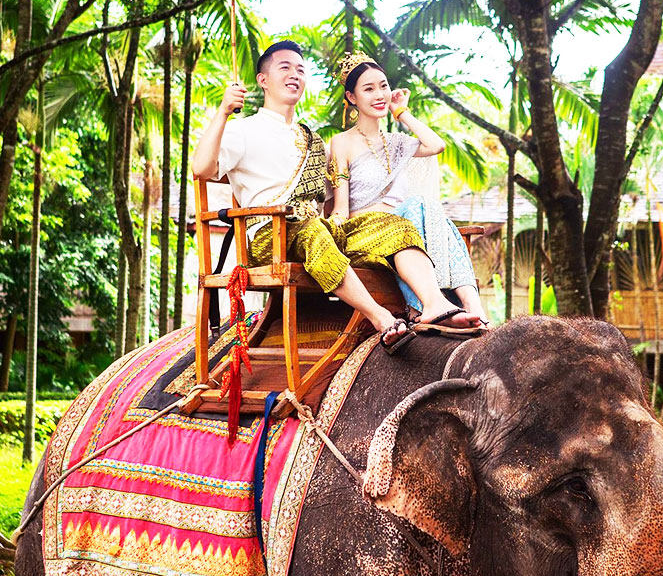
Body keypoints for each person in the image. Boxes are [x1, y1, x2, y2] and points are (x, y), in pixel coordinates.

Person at [191, 40, 482, 352]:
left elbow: (332, 205)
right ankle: (381, 318)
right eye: (285, 68)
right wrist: (223, 112)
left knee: (394, 227)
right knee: (313, 231)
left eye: (300, 70)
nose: (295, 75)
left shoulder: (311, 138)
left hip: (318, 229)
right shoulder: (242, 130)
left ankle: (434, 305)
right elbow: (201, 168)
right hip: (267, 235)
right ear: (263, 80)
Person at [328, 52, 488, 325]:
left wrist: (402, 112)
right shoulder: (341, 143)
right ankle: (423, 305)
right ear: (352, 98)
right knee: (418, 205)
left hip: (406, 225)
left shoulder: (396, 142)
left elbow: (436, 145)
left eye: (383, 86)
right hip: (367, 229)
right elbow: (341, 208)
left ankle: (474, 306)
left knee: (431, 211)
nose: (379, 94)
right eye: (368, 89)